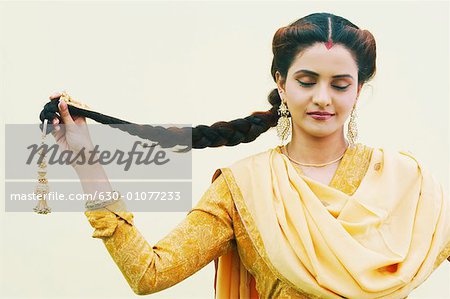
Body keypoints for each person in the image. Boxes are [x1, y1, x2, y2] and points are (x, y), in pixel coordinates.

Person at [46, 12, 450, 299]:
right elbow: (149, 274)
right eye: (307, 81)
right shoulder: (243, 189)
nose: (322, 98)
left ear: (358, 90)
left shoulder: (406, 182)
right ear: (281, 81)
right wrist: (87, 163)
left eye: (340, 85)